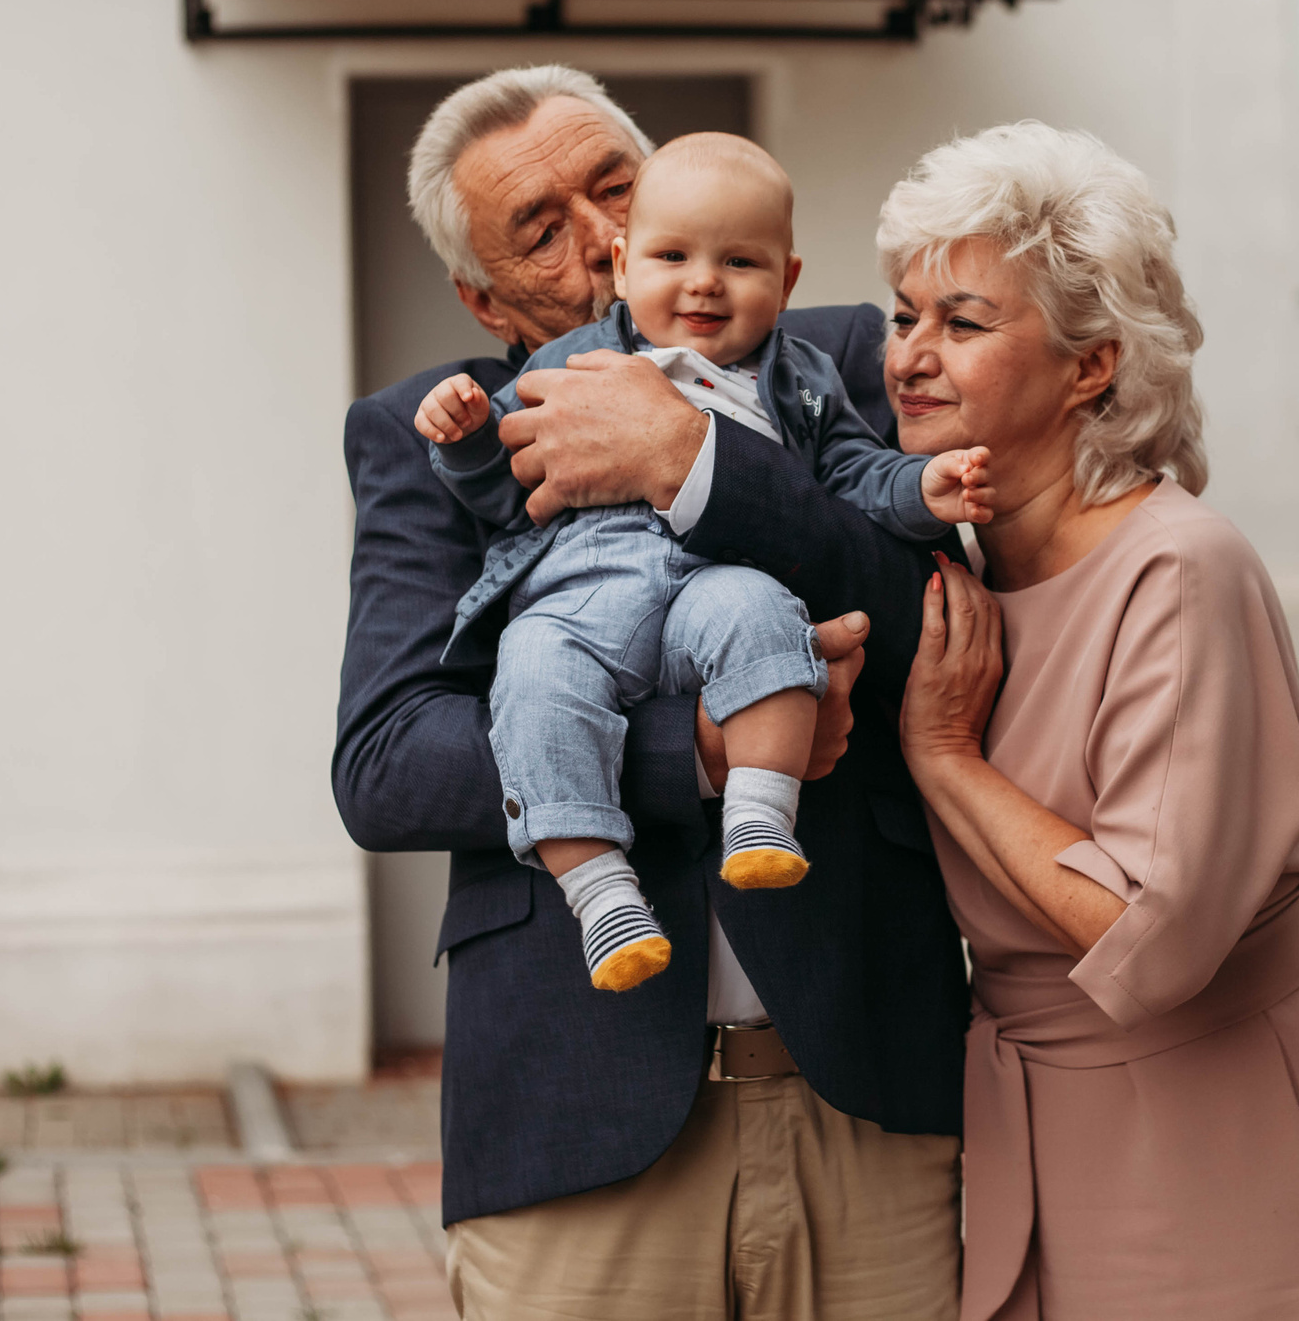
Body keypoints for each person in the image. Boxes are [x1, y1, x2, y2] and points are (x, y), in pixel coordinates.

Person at [332, 66, 969, 1320]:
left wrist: (695, 461)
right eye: (542, 227)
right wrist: (693, 760)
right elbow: (390, 760)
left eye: (616, 188)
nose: (607, 235)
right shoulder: (442, 433)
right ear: (481, 295)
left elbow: (933, 618)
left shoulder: (838, 358)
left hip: (865, 1081)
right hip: (577, 1111)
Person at [882, 122, 1299, 1321]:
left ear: (1091, 366)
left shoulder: (1179, 570)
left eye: (962, 323)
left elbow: (1148, 934)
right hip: (1036, 1106)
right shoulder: (952, 559)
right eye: (901, 315)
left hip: (1220, 1104)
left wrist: (946, 758)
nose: (911, 356)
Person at [414, 132, 990, 991]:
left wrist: (921, 486)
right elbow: (505, 486)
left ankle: (761, 818)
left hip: (710, 585)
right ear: (625, 260)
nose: (704, 281)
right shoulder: (566, 365)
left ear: (787, 280)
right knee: (530, 678)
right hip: (581, 599)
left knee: (763, 615)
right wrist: (464, 441)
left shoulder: (807, 376)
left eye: (740, 261)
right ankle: (601, 890)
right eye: (672, 254)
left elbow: (856, 475)